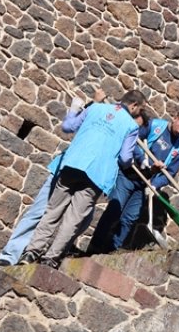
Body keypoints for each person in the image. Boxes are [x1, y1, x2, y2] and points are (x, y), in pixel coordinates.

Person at [20, 90, 147, 266]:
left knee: (53, 211)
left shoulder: (95, 108)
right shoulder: (131, 127)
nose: (138, 114)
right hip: (97, 175)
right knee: (73, 219)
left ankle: (31, 252)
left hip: (73, 164)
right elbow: (126, 158)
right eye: (139, 110)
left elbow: (67, 127)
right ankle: (51, 258)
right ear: (133, 106)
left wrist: (73, 110)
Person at [87, 109, 179, 254]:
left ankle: (109, 253)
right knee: (114, 210)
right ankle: (93, 248)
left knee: (130, 218)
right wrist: (143, 160)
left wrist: (155, 184)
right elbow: (134, 139)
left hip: (145, 185)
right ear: (174, 118)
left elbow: (170, 173)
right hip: (130, 174)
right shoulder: (155, 126)